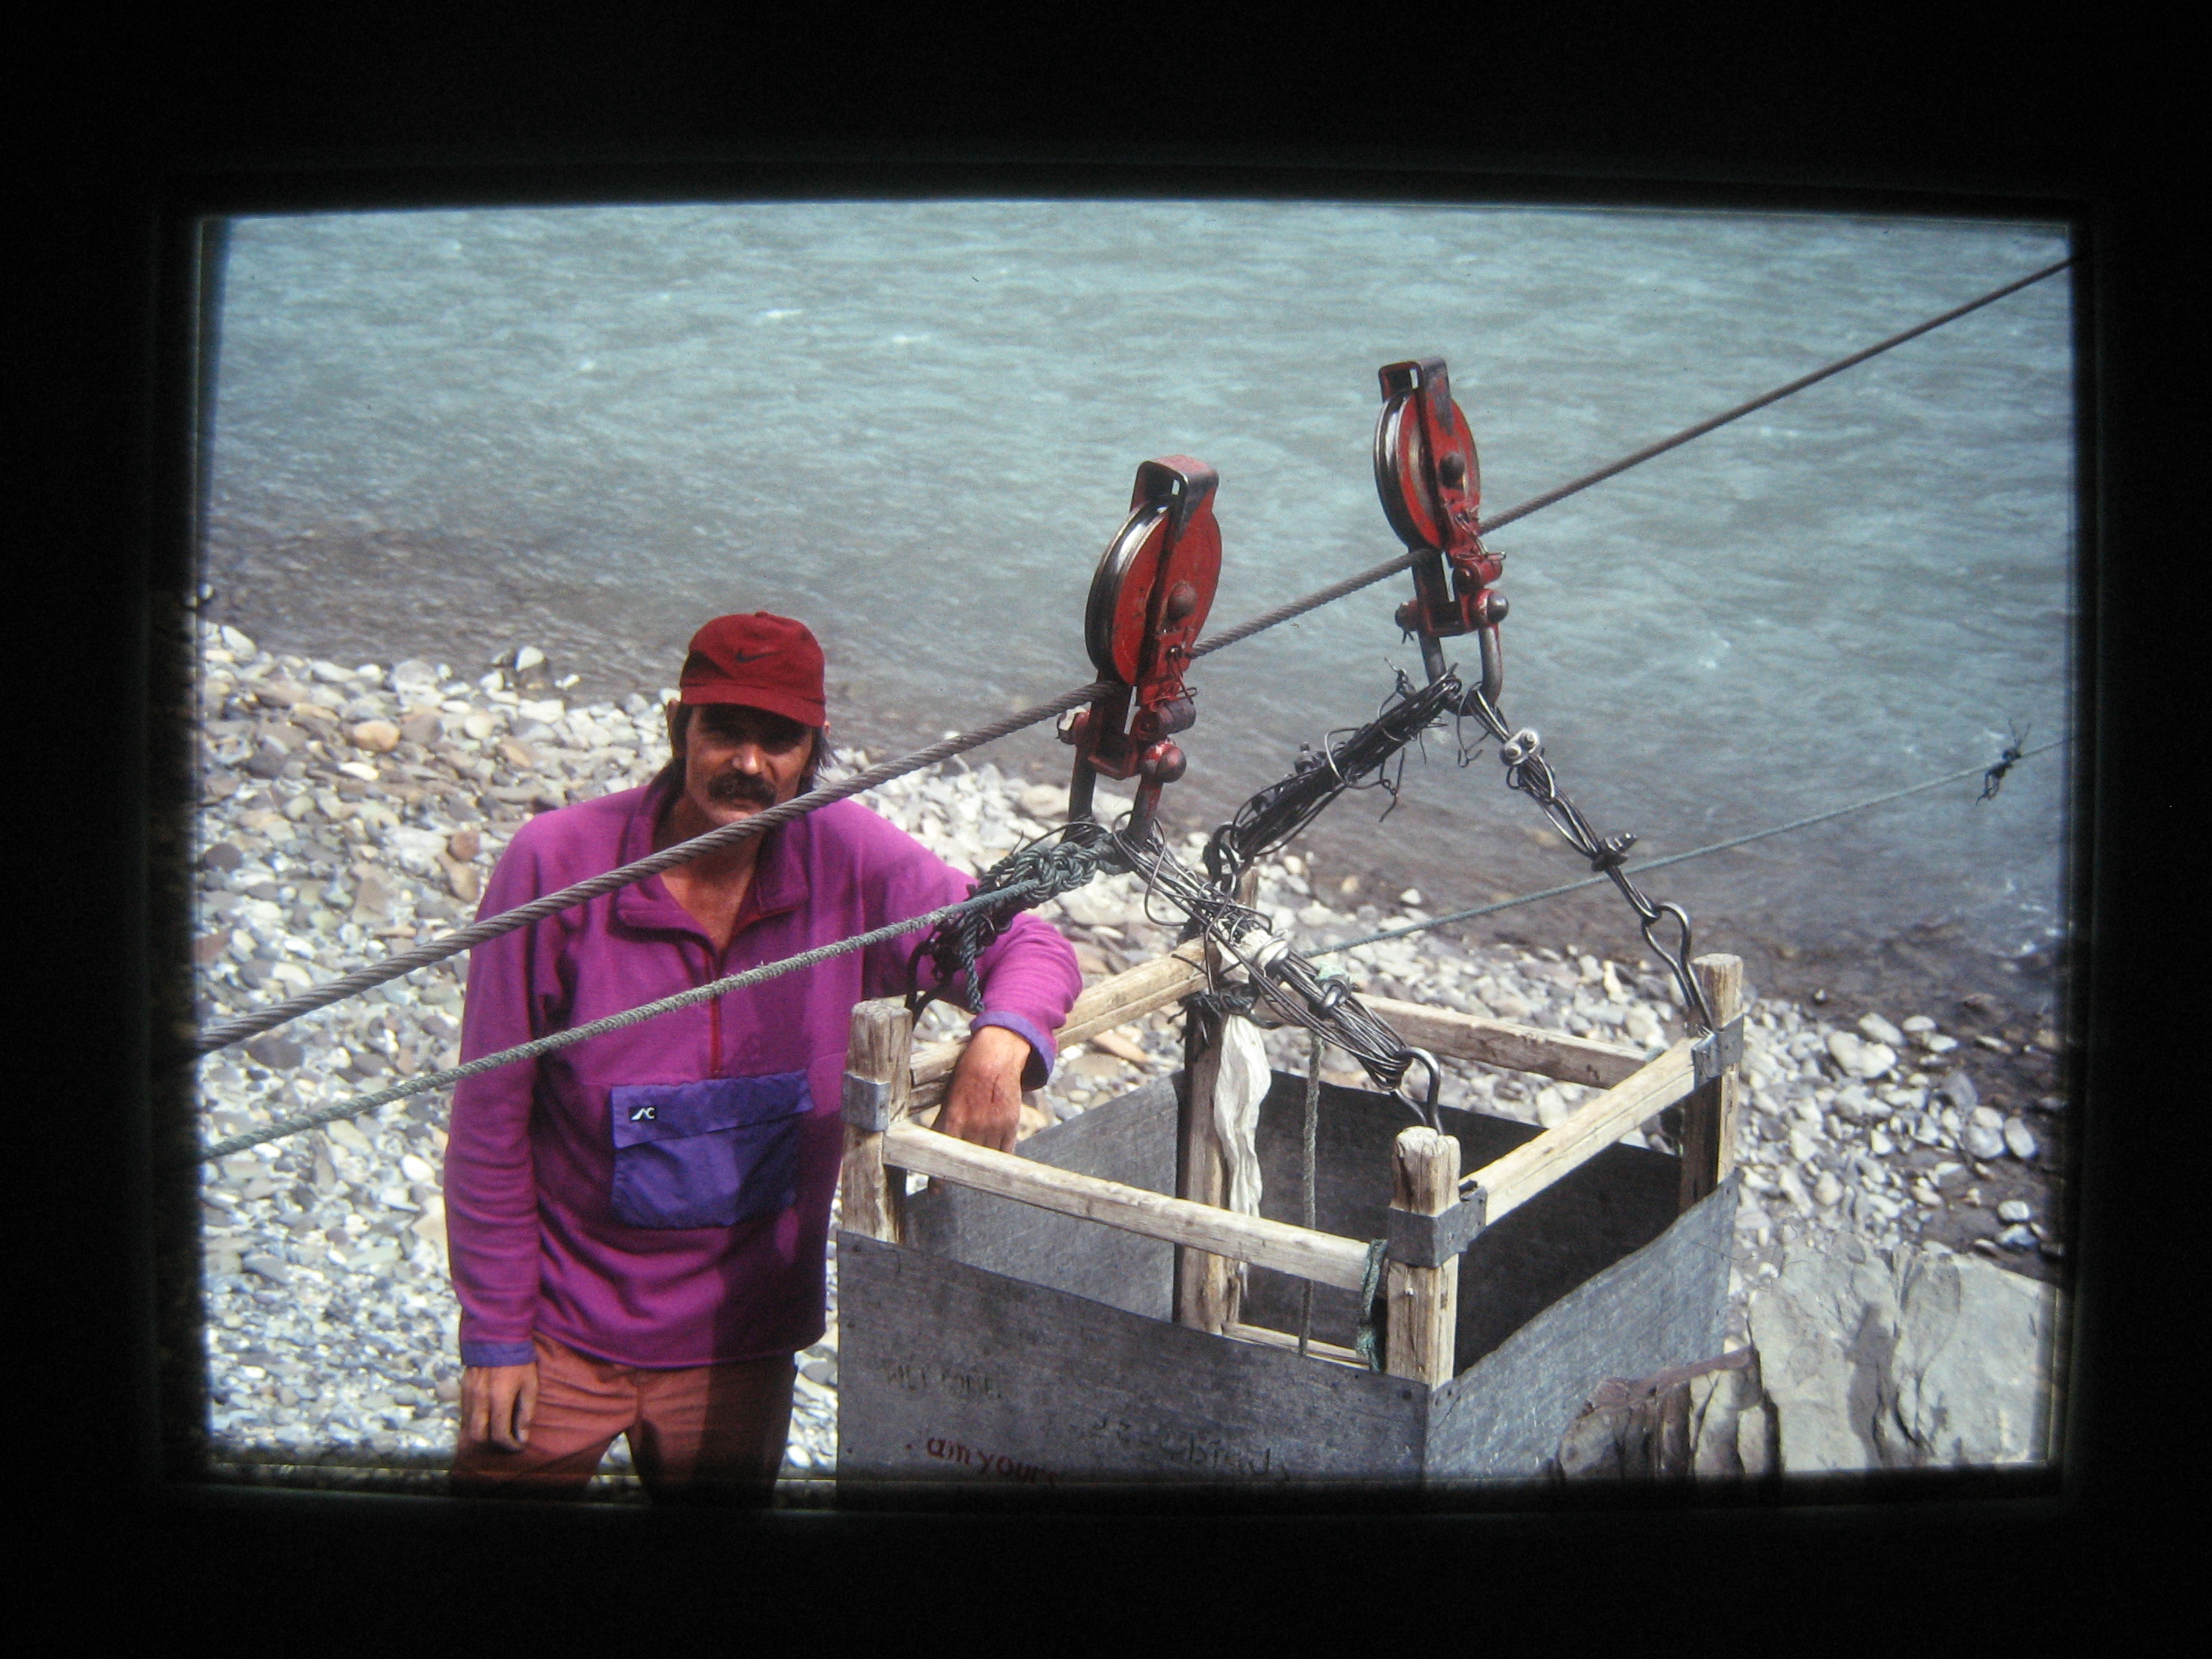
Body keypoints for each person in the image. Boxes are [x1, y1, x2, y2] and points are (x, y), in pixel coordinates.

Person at [442, 611, 1081, 1500]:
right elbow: (488, 1124)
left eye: (777, 739)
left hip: (739, 1349)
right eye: (724, 731)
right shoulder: (556, 865)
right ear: (680, 728)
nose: (747, 762)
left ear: (813, 750)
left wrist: (999, 1045)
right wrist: (496, 1337)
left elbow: (1028, 943)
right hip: (559, 1337)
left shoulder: (847, 858)